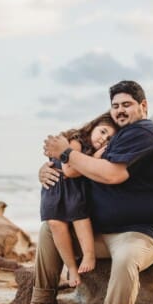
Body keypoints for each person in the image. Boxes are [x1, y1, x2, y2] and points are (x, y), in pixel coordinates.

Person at [14, 80, 153, 304]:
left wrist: (66, 152)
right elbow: (78, 171)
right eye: (115, 105)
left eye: (127, 104)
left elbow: (112, 174)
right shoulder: (115, 140)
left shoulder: (145, 132)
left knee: (127, 257)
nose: (120, 111)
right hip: (104, 231)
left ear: (143, 107)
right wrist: (47, 169)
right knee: (48, 231)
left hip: (146, 230)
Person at [40, 112, 118, 287]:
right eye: (103, 132)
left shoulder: (97, 149)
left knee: (80, 219)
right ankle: (72, 268)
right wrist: (96, 157)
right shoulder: (77, 141)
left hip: (74, 189)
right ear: (93, 126)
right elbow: (69, 170)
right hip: (57, 187)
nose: (104, 139)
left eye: (109, 138)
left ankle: (88, 254)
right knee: (55, 224)